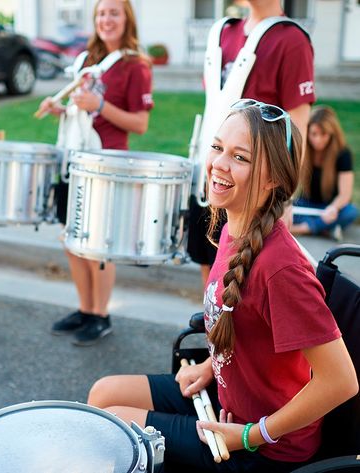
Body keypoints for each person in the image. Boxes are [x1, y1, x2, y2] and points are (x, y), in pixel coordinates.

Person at [87, 102, 358, 472]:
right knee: (103, 395)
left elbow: (341, 381)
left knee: (111, 427)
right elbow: (240, 324)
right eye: (217, 148)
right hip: (227, 398)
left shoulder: (282, 271)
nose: (219, 164)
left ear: (272, 178)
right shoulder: (233, 227)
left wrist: (250, 434)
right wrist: (209, 365)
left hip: (264, 446)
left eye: (240, 157)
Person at [38, 0, 153, 346]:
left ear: (127, 19)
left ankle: (101, 315)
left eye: (114, 13)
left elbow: (141, 124)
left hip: (108, 164)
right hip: (76, 160)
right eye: (101, 13)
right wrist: (62, 109)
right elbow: (82, 114)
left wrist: (101, 105)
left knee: (98, 244)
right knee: (73, 241)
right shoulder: (88, 61)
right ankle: (85, 309)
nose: (107, 19)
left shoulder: (136, 65)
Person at [188, 0, 315, 287]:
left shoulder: (291, 39)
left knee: (248, 294)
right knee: (212, 290)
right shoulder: (223, 31)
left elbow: (297, 129)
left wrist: (287, 197)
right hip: (211, 180)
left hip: (253, 190)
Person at [291, 106, 358, 240]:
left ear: (332, 133)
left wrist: (333, 208)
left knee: (351, 212)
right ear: (307, 131)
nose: (318, 140)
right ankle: (326, 228)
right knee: (283, 208)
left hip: (330, 207)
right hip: (307, 204)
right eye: (314, 134)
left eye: (323, 134)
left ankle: (302, 229)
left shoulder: (343, 154)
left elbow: (345, 195)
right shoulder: (303, 149)